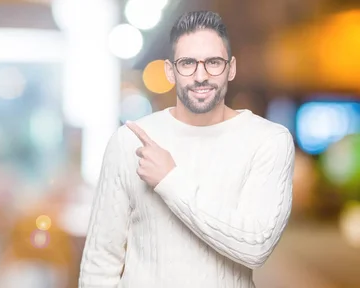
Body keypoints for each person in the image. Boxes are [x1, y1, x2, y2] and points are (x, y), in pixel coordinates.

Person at [78, 10, 294, 287]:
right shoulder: (130, 140)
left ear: (232, 68)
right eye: (187, 63)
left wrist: (170, 180)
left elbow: (256, 247)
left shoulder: (268, 140)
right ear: (171, 70)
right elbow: (100, 261)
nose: (200, 75)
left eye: (214, 62)